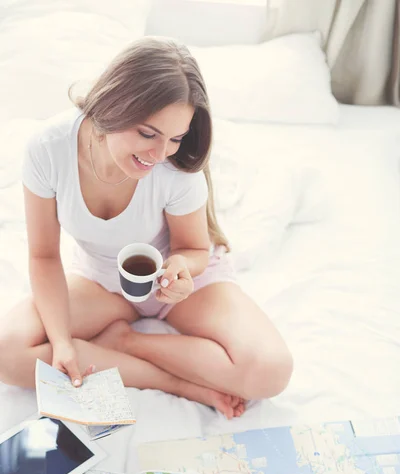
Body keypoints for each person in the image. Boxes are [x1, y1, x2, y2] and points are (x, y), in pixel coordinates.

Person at [0, 37, 293, 419]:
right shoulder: (49, 148)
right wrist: (62, 344)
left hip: (182, 285)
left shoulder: (176, 167)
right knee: (8, 352)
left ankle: (126, 341)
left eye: (175, 138)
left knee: (271, 371)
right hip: (102, 280)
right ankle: (174, 381)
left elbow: (193, 249)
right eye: (147, 133)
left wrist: (183, 271)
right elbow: (42, 255)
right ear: (112, 104)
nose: (158, 155)